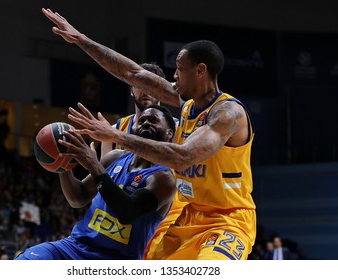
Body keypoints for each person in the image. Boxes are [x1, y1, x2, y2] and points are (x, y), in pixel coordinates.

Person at [42, 8, 256, 260]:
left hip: (226, 219)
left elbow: (184, 157)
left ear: (200, 71)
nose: (174, 75)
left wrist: (117, 137)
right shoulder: (186, 103)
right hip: (187, 214)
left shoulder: (228, 113)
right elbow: (133, 73)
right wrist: (82, 40)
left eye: (179, 68)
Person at [15, 105, 176, 260]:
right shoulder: (115, 157)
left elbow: (127, 212)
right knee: (29, 259)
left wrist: (93, 164)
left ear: (169, 134)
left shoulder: (164, 178)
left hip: (116, 260)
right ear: (132, 129)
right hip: (75, 247)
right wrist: (63, 165)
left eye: (153, 120)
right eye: (141, 120)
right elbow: (78, 198)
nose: (146, 122)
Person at [98, 61, 183, 259]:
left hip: (167, 220)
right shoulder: (114, 129)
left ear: (162, 90)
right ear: (131, 89)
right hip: (124, 218)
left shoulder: (179, 130)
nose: (146, 91)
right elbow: (104, 183)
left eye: (152, 85)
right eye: (140, 84)